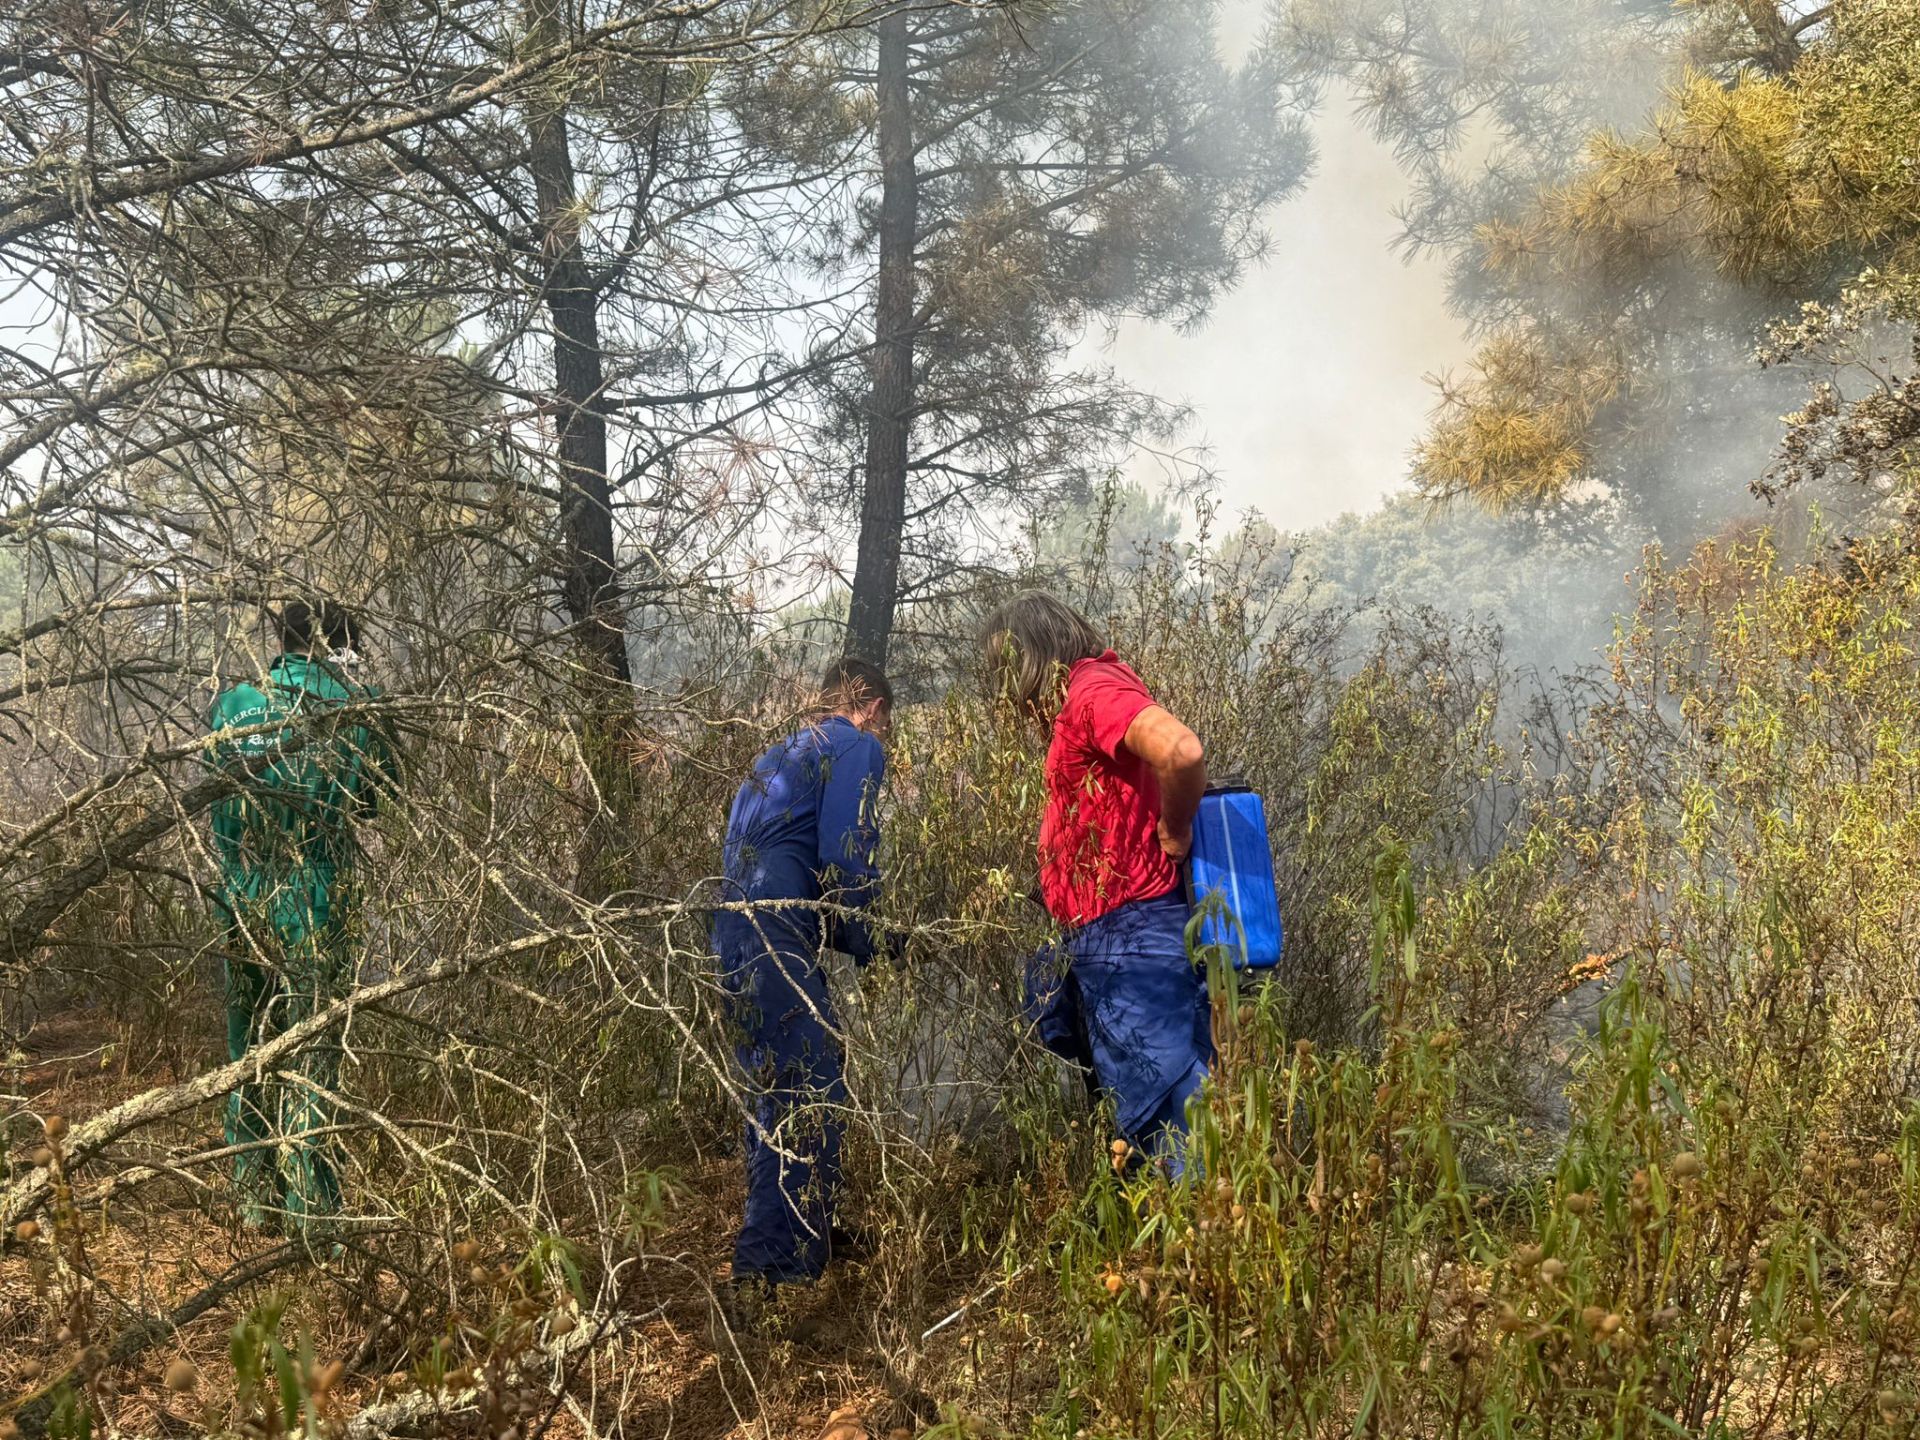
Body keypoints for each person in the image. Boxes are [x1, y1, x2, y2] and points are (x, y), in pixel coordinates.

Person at [983, 592, 1211, 1175]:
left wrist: (1175, 829)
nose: (1010, 696)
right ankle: (1173, 1255)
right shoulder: (1082, 699)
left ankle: (1205, 1253)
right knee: (1141, 1119)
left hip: (1134, 940)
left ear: (1031, 658)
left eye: (1008, 672)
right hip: (1105, 939)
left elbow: (1182, 752)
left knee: (1171, 1116)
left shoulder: (1092, 690)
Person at [710, 658, 896, 1326]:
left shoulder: (776, 755)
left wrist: (848, 936)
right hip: (773, 939)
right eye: (887, 723)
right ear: (872, 706)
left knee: (779, 1094)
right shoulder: (856, 744)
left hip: (733, 941)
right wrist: (883, 941)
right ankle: (778, 1279)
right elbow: (846, 858)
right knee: (809, 1091)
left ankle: (793, 1243)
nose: (886, 738)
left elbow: (794, 863)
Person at [208, 600, 394, 1241]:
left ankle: (254, 1202)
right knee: (313, 1052)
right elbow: (377, 800)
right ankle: (313, 1219)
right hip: (316, 897)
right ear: (339, 644)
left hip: (237, 896)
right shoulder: (353, 705)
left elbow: (213, 794)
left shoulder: (232, 704)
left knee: (247, 1051)